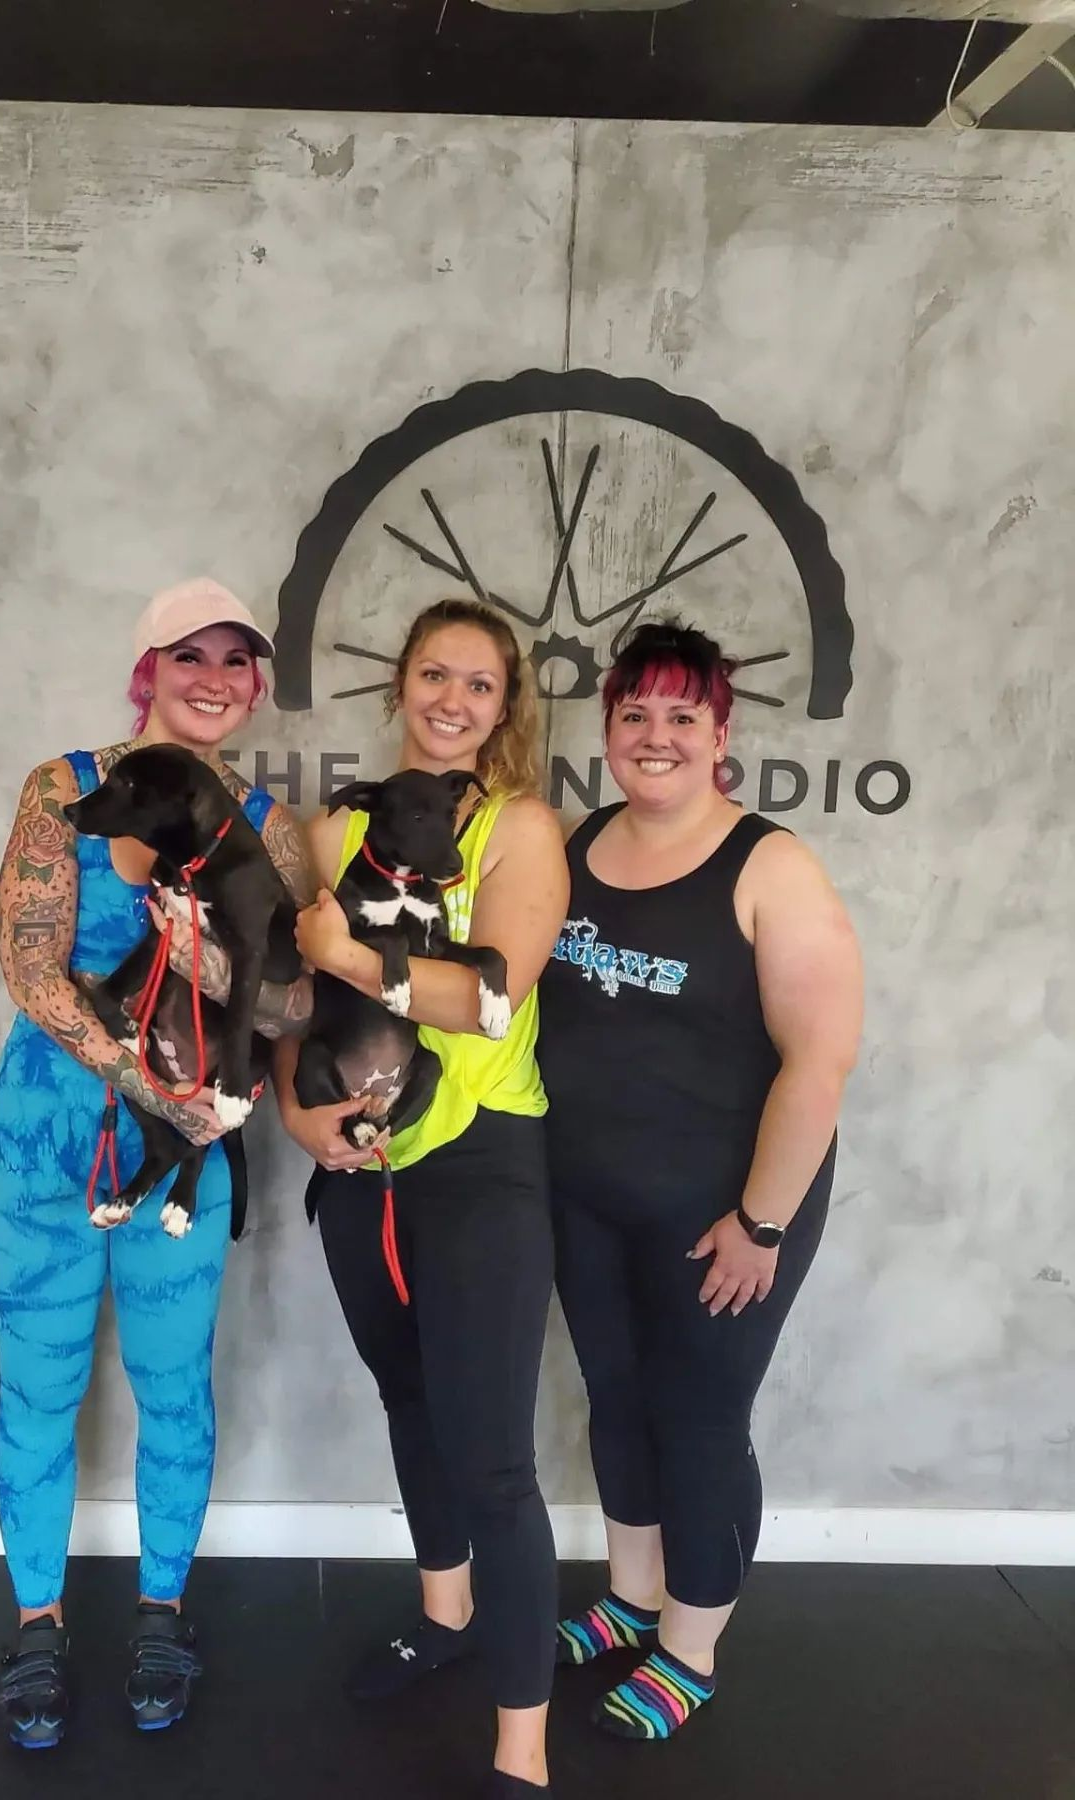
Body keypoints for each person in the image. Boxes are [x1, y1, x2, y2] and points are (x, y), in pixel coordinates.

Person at [0, 578, 313, 1748]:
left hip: (187, 1154)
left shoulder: (265, 822)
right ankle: (36, 1624)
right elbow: (31, 964)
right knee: (41, 1389)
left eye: (237, 661)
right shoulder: (64, 790)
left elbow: (293, 996)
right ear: (148, 668)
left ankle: (163, 1613)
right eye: (191, 656)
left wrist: (213, 1047)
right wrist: (142, 1079)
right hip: (45, 1141)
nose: (215, 679)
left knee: (175, 1388)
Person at [539, 618, 862, 1741]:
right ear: (610, 729)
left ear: (720, 732)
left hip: (725, 1212)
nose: (658, 735)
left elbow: (819, 1065)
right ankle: (630, 1599)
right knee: (617, 1400)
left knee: (701, 1419)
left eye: (684, 715)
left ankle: (690, 1645)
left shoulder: (771, 864)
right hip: (588, 1198)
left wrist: (761, 1225)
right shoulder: (582, 843)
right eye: (637, 714)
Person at [276, 598, 570, 1799]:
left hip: (483, 1160)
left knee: (494, 1457)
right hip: (363, 1163)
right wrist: (298, 1117)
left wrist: (353, 955)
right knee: (406, 1393)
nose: (453, 701)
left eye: (480, 685)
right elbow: (289, 1001)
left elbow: (492, 1000)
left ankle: (521, 1751)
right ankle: (444, 1616)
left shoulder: (520, 828)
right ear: (400, 683)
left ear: (507, 707)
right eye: (434, 675)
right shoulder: (328, 829)